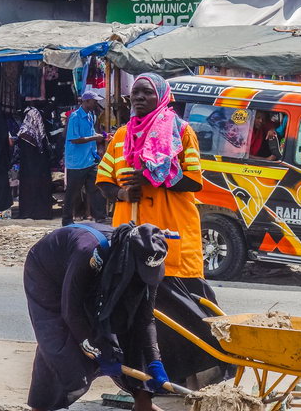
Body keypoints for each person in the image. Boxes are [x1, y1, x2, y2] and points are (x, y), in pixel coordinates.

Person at [96, 73, 231, 388]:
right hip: (132, 240)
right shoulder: (121, 137)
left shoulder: (181, 132)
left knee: (189, 312)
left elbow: (194, 180)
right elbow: (103, 181)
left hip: (173, 238)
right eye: (135, 93)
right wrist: (123, 193)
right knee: (137, 315)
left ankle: (208, 373)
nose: (138, 98)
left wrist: (155, 178)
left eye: (146, 92)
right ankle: (147, 381)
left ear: (162, 96)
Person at [26, 222, 175, 411]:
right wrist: (97, 352)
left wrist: (154, 361)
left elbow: (145, 319)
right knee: (57, 338)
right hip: (50, 273)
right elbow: (71, 311)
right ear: (129, 259)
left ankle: (143, 404)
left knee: (129, 327)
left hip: (99, 273)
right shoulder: (90, 252)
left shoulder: (149, 260)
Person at [63, 93, 107, 226]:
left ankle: (99, 217)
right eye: (94, 101)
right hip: (76, 162)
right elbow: (74, 139)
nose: (96, 104)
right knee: (73, 192)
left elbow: (91, 134)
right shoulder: (75, 117)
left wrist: (103, 136)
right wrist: (95, 138)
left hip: (90, 159)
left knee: (96, 188)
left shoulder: (91, 116)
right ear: (87, 101)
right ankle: (67, 220)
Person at [16, 106, 53, 220]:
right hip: (40, 170)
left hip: (27, 171)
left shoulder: (23, 134)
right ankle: (41, 212)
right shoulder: (40, 136)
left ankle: (28, 212)